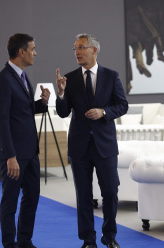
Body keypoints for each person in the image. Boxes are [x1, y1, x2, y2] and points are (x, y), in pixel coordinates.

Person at [56, 34, 128, 248]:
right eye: (75, 48)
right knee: (84, 195)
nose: (77, 52)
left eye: (81, 47)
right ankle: (88, 240)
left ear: (94, 50)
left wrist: (103, 112)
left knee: (110, 192)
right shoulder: (69, 79)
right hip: (79, 147)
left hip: (105, 146)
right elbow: (62, 113)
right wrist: (60, 94)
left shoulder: (111, 76)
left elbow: (122, 105)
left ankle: (110, 237)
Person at [0, 33, 50, 248]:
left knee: (32, 197)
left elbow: (23, 112)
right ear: (21, 52)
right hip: (14, 155)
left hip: (30, 152)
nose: (35, 53)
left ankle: (25, 241)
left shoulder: (23, 77)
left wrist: (42, 104)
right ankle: (9, 244)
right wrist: (10, 156)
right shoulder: (2, 80)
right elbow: (2, 120)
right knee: (10, 203)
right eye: (33, 49)